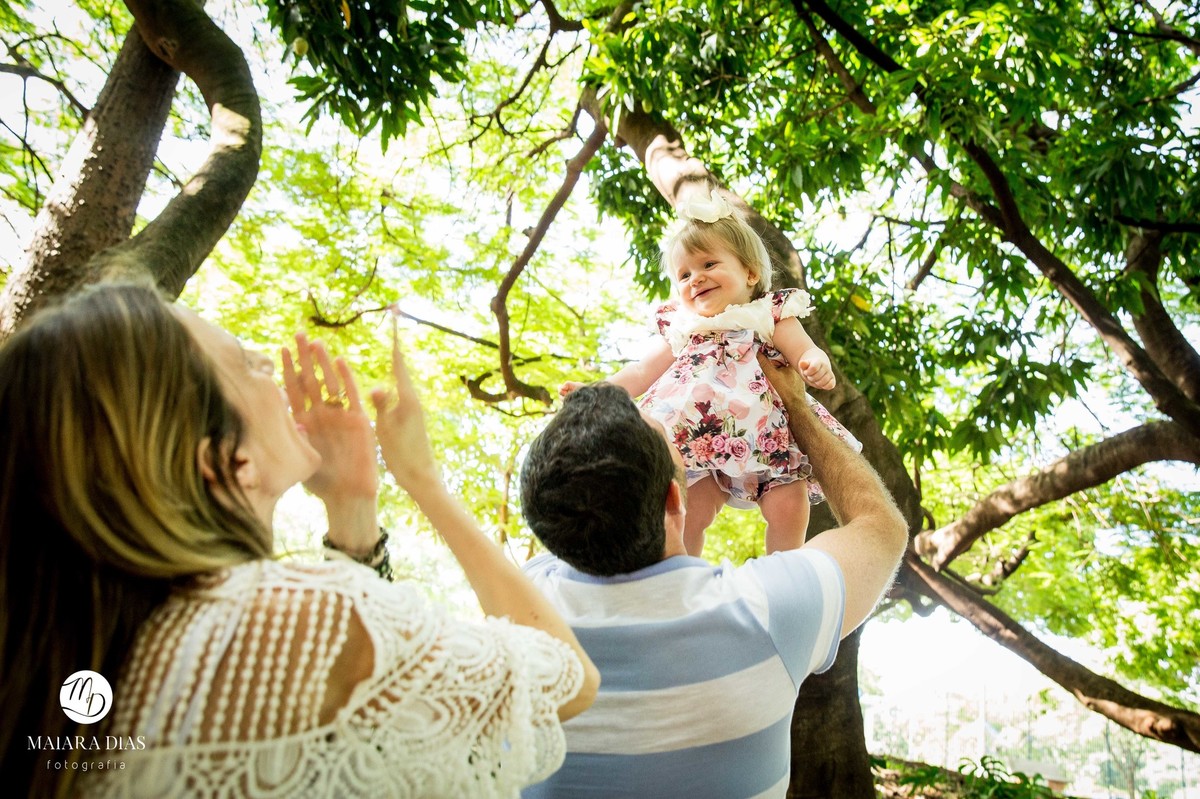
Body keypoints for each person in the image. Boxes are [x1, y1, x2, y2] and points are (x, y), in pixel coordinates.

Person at [0, 282, 599, 799]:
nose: (269, 363)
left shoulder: (83, 650)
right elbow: (568, 679)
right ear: (225, 461)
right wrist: (422, 481)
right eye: (246, 364)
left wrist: (352, 507)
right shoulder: (285, 618)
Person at [521, 356, 908, 798]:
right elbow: (882, 527)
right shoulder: (766, 612)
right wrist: (796, 408)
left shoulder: (523, 613)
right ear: (674, 497)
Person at [560, 189, 860, 556]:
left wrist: (814, 362)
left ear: (750, 272)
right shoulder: (684, 327)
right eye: (684, 274)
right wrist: (596, 391)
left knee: (789, 504)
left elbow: (803, 349)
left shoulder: (768, 313)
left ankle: (783, 570)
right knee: (685, 511)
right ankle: (679, 573)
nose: (695, 279)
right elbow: (641, 371)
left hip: (768, 435)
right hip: (695, 436)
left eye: (708, 265)